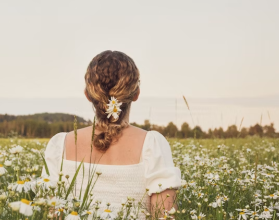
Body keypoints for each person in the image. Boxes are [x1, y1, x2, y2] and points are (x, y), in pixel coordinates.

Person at [43, 50, 182, 219]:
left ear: (87, 95)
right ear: (136, 94)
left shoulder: (60, 145)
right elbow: (164, 216)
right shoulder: (152, 144)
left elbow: (51, 214)